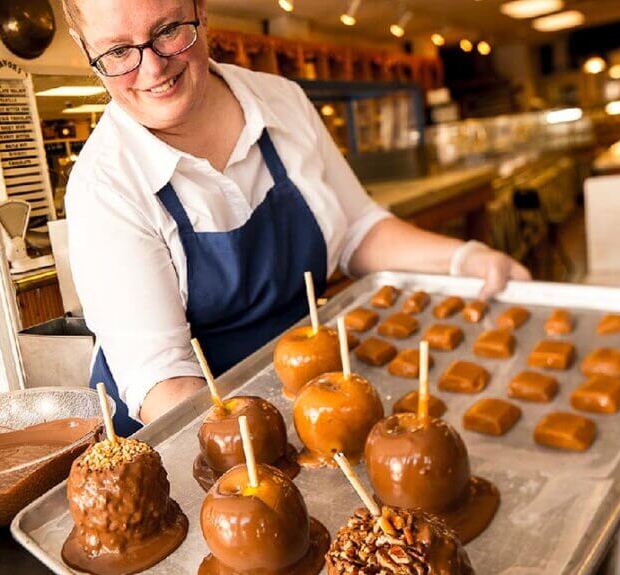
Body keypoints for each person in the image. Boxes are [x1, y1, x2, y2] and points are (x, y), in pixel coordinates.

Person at [62, 0, 530, 434]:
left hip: (310, 394)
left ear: (201, 12)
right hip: (196, 438)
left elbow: (357, 230)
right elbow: (163, 384)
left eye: (167, 31)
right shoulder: (105, 186)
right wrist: (272, 450)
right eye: (119, 51)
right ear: (84, 48)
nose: (153, 67)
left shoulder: (281, 102)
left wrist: (464, 258)